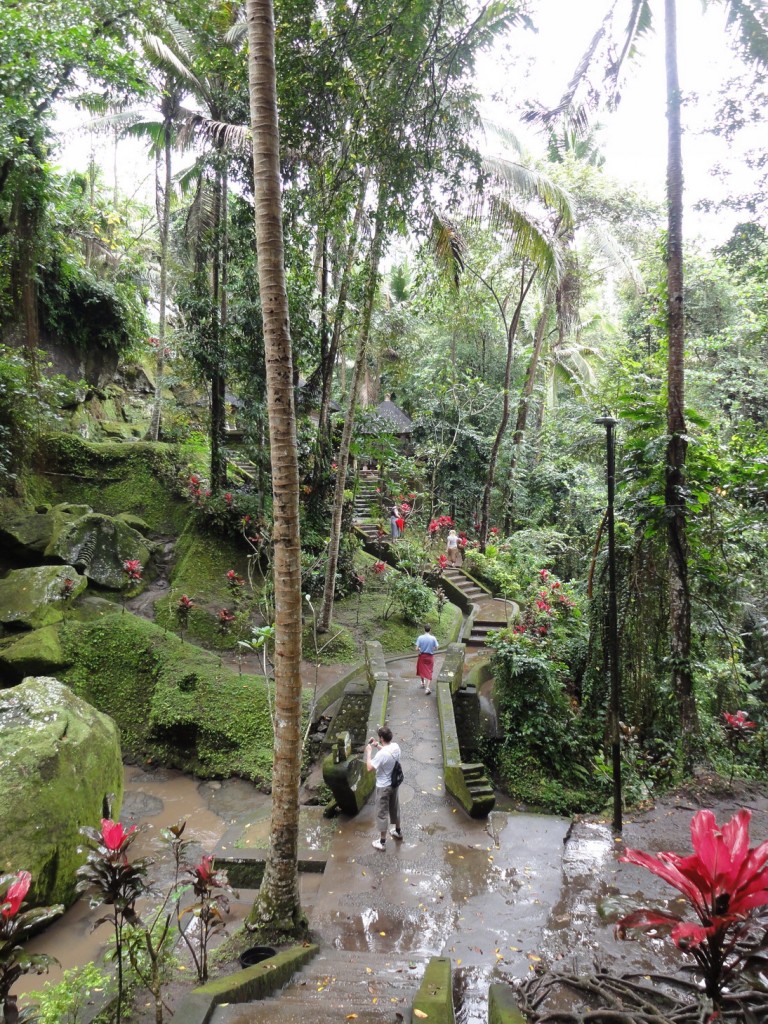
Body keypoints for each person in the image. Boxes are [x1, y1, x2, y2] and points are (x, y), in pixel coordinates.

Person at [366, 726, 403, 850]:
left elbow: (369, 768)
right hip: (394, 783)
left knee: (382, 813)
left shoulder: (381, 755)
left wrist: (369, 753)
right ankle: (397, 831)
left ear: (381, 738)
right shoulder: (396, 747)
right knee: (395, 806)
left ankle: (382, 842)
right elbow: (387, 753)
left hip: (383, 787)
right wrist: (377, 745)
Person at [415, 624, 439, 694]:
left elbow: (416, 648)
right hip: (430, 657)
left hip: (422, 656)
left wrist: (420, 648)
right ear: (430, 630)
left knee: (421, 670)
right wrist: (432, 648)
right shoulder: (433, 638)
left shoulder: (420, 637)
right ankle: (427, 688)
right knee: (429, 671)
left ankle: (422, 683)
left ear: (424, 629)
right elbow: (437, 647)